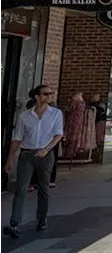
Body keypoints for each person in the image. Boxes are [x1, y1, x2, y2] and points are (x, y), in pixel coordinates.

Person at [4, 86, 62, 238]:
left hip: (45, 154)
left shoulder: (55, 113)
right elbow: (17, 139)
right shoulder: (25, 116)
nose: (50, 96)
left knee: (44, 188)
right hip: (27, 153)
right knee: (21, 189)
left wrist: (47, 149)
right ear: (37, 97)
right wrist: (10, 159)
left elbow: (58, 135)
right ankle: (14, 223)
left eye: (51, 93)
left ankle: (42, 219)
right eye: (46, 94)